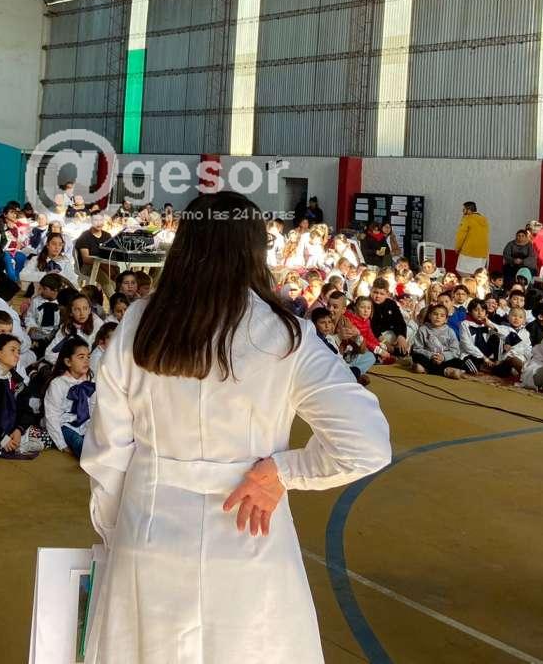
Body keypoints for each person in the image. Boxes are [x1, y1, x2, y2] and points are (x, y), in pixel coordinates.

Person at [81, 190, 390, 662]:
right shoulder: (285, 334)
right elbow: (366, 442)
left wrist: (117, 532)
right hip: (250, 542)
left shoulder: (142, 322)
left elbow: (108, 452)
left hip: (149, 538)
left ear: (185, 244)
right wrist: (284, 472)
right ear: (254, 249)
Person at [43, 338, 96, 457]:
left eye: (88, 357)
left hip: (86, 424)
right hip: (66, 425)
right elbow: (52, 415)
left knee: (105, 441)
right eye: (81, 357)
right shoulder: (58, 384)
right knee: (80, 444)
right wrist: (61, 444)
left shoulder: (90, 381)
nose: (86, 360)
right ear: (68, 362)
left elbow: (94, 407)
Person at [454, 201, 489, 276]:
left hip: (469, 252)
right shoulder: (484, 219)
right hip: (482, 253)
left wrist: (457, 248)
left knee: (463, 272)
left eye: (464, 209)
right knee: (477, 274)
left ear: (469, 210)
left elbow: (461, 235)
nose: (462, 211)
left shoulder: (467, 219)